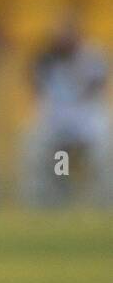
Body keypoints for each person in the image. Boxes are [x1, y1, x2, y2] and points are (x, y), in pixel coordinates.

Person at [22, 21, 111, 205]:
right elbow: (35, 84)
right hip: (55, 121)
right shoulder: (46, 58)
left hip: (87, 120)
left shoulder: (92, 55)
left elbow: (96, 85)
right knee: (32, 144)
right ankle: (43, 203)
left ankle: (105, 202)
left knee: (105, 149)